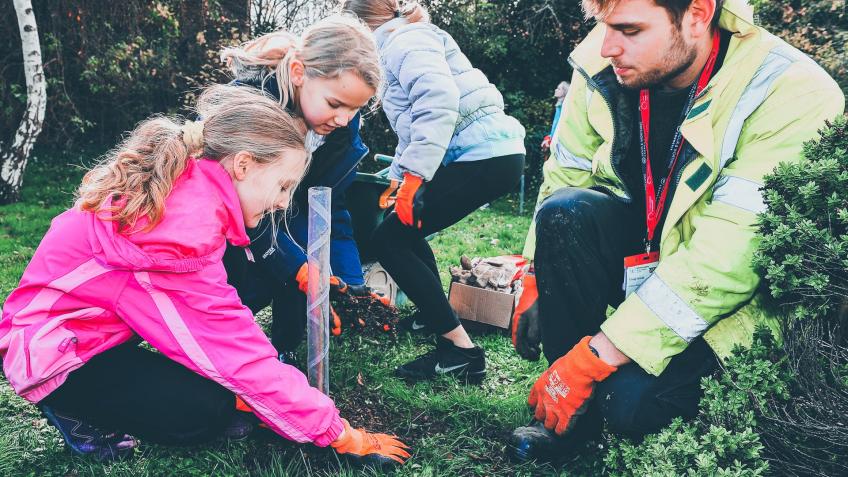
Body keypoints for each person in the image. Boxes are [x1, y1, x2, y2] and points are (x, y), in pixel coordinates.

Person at [0, 85, 410, 465]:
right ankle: (70, 407)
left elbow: (221, 320)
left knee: (228, 397)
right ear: (244, 165)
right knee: (200, 414)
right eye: (283, 186)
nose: (284, 202)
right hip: (54, 354)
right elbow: (235, 351)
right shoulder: (174, 234)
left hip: (93, 334)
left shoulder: (190, 196)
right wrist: (337, 434)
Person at [509, 0, 845, 463]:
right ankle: (569, 421)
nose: (607, 46)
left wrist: (597, 357)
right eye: (603, 26)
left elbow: (725, 261)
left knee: (629, 406)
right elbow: (565, 176)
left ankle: (594, 384)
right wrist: (534, 278)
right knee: (567, 212)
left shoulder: (791, 91)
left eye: (628, 29)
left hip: (725, 308)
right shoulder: (601, 58)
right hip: (648, 256)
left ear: (697, 14)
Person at [341, 0, 526, 383]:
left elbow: (438, 103)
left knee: (389, 240)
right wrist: (397, 175)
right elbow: (416, 130)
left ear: (359, 24)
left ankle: (461, 352)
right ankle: (433, 314)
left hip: (484, 156)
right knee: (404, 230)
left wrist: (414, 176)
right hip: (486, 153)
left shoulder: (404, 42)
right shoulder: (401, 42)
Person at [219, 16, 391, 364]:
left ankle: (284, 349)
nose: (344, 119)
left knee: (308, 268)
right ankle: (218, 351)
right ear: (299, 72)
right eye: (336, 105)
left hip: (277, 216)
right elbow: (244, 207)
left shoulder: (337, 129)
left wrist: (348, 285)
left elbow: (328, 208)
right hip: (221, 225)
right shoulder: (250, 110)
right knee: (250, 284)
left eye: (355, 109)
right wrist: (299, 268)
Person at [540, 81, 570, 153]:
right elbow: (555, 127)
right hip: (555, 143)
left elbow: (561, 127)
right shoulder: (559, 106)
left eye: (558, 89)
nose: (555, 90)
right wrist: (549, 138)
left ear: (564, 91)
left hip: (561, 145)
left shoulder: (565, 108)